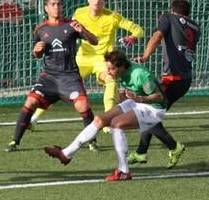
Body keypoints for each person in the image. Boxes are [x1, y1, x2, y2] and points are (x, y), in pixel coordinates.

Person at [29, 0, 144, 140]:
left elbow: (138, 29)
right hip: (82, 59)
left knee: (111, 81)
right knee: (56, 86)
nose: (97, 0)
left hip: (102, 61)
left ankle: (108, 121)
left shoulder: (112, 17)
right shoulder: (79, 13)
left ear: (105, 0)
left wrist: (133, 37)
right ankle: (34, 119)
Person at [45, 50, 177, 181]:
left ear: (121, 67)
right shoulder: (121, 71)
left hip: (154, 109)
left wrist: (140, 99)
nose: (107, 72)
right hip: (137, 102)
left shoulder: (140, 74)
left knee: (116, 123)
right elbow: (133, 90)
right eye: (107, 68)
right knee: (99, 119)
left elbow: (159, 97)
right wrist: (127, 96)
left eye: (111, 69)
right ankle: (66, 154)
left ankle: (124, 171)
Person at [5, 0, 98, 152]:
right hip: (49, 78)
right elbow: (36, 54)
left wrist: (82, 31)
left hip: (69, 77)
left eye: (59, 4)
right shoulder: (40, 29)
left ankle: (92, 141)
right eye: (53, 4)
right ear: (46, 8)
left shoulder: (72, 24)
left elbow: (94, 41)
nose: (56, 7)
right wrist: (36, 50)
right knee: (30, 102)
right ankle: (15, 141)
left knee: (83, 105)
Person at [127, 0, 201, 166]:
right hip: (185, 79)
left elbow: (157, 36)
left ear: (173, 10)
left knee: (148, 112)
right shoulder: (196, 27)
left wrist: (145, 56)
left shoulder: (168, 17)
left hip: (173, 78)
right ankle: (141, 152)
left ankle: (173, 146)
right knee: (149, 113)